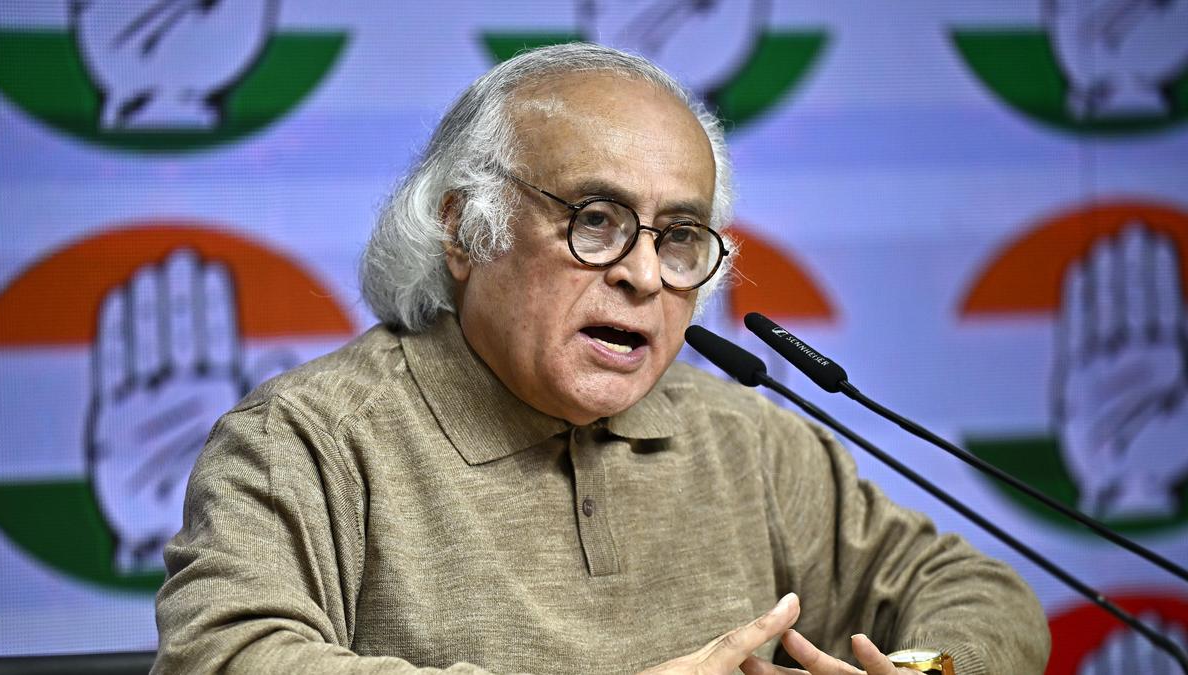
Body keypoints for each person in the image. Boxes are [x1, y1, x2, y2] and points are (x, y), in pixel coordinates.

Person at [153, 43, 1050, 674]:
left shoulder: (748, 440)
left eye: (680, 236)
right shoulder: (305, 439)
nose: (643, 275)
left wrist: (923, 670)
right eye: (596, 220)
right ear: (465, 230)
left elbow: (978, 593)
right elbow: (222, 656)